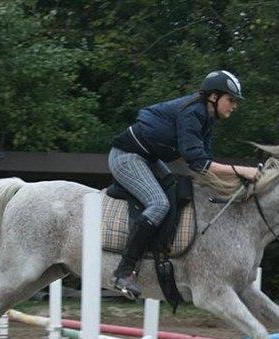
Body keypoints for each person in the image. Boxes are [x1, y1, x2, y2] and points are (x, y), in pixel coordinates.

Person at [108, 70, 260, 299]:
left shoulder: (206, 118)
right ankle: (124, 270)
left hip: (148, 159)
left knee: (173, 191)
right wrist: (241, 171)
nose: (234, 106)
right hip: (126, 157)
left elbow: (204, 165)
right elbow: (198, 162)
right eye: (231, 100)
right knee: (159, 204)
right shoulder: (193, 113)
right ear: (213, 97)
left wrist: (235, 181)